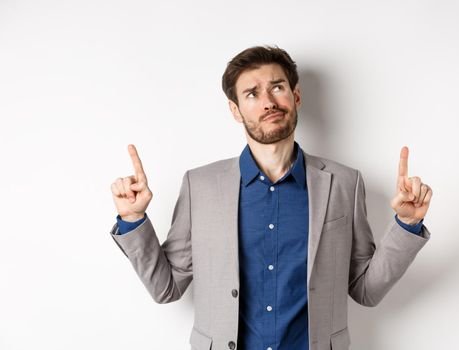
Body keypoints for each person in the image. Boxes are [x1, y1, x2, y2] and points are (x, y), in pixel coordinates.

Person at [109, 45, 433, 350]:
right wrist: (133, 219)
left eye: (277, 87)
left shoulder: (345, 183)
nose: (268, 102)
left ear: (296, 96)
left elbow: (366, 290)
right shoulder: (200, 186)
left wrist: (406, 224)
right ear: (236, 111)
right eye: (252, 93)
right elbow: (167, 288)